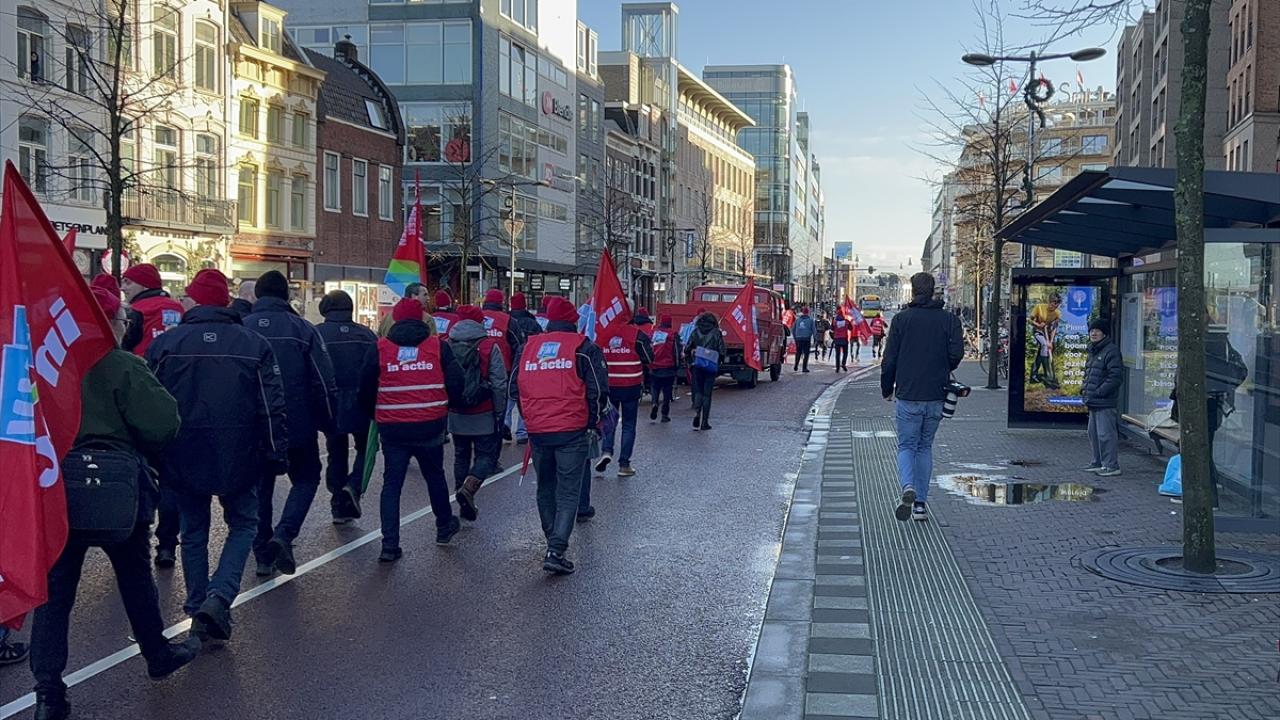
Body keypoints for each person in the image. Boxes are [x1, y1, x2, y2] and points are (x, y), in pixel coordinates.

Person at [30, 287, 200, 720]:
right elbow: (163, 423)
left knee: (55, 593)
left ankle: (48, 692)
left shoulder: (47, 365)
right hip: (118, 485)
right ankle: (157, 654)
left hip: (59, 486)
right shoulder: (122, 364)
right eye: (123, 319)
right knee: (135, 577)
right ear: (108, 323)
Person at [147, 269, 288, 643]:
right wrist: (276, 451)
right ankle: (219, 595)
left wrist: (154, 452)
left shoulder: (167, 344)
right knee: (243, 523)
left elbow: (150, 402)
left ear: (195, 300)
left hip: (183, 451)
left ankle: (198, 605)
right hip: (240, 451)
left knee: (193, 530)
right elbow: (271, 405)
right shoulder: (253, 344)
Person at [244, 271, 337, 577]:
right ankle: (284, 534)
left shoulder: (241, 329)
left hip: (254, 425)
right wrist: (328, 421)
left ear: (257, 295)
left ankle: (262, 553)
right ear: (286, 295)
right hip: (297, 421)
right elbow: (322, 380)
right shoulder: (303, 329)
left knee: (261, 487)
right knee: (307, 477)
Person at [510, 297, 608, 574]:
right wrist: (592, 422)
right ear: (573, 320)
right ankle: (556, 548)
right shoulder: (584, 347)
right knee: (568, 491)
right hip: (572, 429)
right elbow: (598, 390)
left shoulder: (527, 348)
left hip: (538, 430)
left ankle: (552, 540)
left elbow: (514, 387)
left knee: (545, 486)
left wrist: (530, 417)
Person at [376, 298, 465, 561]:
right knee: (434, 476)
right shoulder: (437, 347)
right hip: (429, 423)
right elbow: (456, 381)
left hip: (392, 426)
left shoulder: (381, 348)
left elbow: (366, 384)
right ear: (423, 319)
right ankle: (444, 525)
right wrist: (448, 405)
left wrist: (376, 413)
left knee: (392, 484)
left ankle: (389, 544)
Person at [880, 272, 963, 523]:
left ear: (914, 291)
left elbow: (890, 359)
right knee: (925, 447)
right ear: (933, 290)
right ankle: (920, 506)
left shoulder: (901, 320)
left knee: (907, 446)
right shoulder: (949, 320)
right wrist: (942, 367)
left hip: (908, 394)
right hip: (936, 394)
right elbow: (957, 354)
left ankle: (908, 486)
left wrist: (887, 388)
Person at [316, 290, 379, 523]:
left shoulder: (317, 334)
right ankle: (353, 486)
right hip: (362, 402)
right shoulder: (366, 334)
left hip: (332, 403)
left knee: (336, 451)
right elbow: (376, 369)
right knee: (366, 449)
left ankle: (338, 503)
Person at [446, 305, 508, 522]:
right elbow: (499, 383)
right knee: (486, 456)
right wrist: (499, 411)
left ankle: (461, 497)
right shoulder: (489, 346)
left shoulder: (447, 344)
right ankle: (469, 489)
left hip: (456, 411)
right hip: (483, 410)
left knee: (460, 454)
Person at [596, 308, 654, 477]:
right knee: (628, 424)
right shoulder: (636, 334)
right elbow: (649, 358)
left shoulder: (602, 333)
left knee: (609, 420)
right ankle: (624, 464)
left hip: (609, 384)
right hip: (630, 384)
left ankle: (606, 451)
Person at [1081, 318, 1124, 478]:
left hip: (1104, 401)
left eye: (1097, 330)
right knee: (1093, 433)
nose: (1094, 333)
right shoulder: (1093, 350)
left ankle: (1111, 465)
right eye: (1092, 330)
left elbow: (1115, 377)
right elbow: (1089, 373)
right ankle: (1098, 462)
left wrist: (1099, 392)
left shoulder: (1111, 351)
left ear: (1104, 333)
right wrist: (1084, 390)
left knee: (1106, 434)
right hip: (1093, 400)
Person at [120, 263, 184, 358]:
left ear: (145, 285)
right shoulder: (178, 308)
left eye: (128, 283)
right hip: (174, 362)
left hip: (141, 362)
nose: (122, 288)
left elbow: (124, 344)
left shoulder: (134, 310)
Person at [685, 311, 727, 430]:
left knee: (698, 391)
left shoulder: (695, 331)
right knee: (707, 394)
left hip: (697, 364)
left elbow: (687, 348)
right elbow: (722, 350)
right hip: (711, 365)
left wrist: (690, 361)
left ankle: (697, 412)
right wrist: (719, 361)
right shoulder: (716, 333)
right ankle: (704, 422)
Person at [648, 314, 682, 422]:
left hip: (655, 366)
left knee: (655, 387)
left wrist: (649, 363)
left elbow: (649, 348)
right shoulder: (673, 335)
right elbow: (677, 351)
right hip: (668, 367)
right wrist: (677, 366)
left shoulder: (654, 334)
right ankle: (664, 414)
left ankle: (654, 403)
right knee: (667, 391)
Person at [1029, 293, 1062, 389]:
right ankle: (1048, 375)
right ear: (1049, 302)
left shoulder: (1057, 313)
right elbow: (1030, 320)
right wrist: (1038, 325)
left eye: (1056, 306)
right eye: (1053, 305)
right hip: (1038, 331)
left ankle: (1033, 375)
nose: (1054, 308)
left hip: (1048, 333)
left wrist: (1050, 341)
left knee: (1042, 352)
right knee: (1044, 345)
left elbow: (1054, 328)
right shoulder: (1039, 307)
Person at [792, 307, 815, 372]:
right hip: (806, 338)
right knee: (806, 353)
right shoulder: (811, 320)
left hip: (798, 338)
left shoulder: (797, 320)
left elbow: (793, 330)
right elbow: (814, 330)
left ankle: (796, 365)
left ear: (803, 312)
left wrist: (795, 338)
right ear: (808, 312)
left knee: (798, 352)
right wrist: (815, 338)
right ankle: (804, 368)